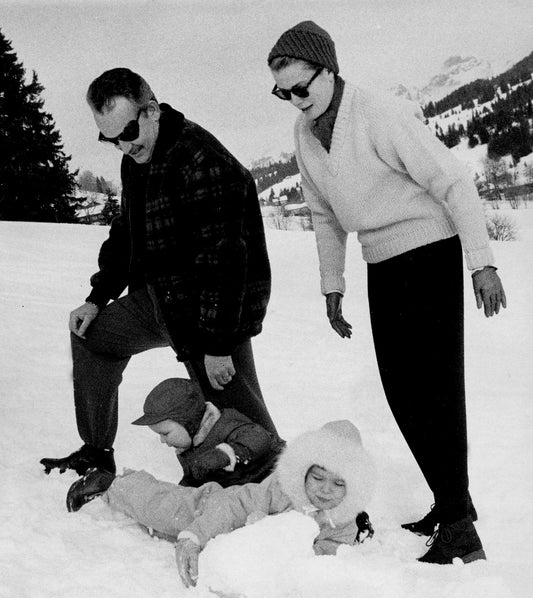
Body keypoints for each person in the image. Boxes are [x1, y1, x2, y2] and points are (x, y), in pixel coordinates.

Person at [267, 21, 507, 564]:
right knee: (403, 392)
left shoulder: (378, 113)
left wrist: (482, 264)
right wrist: (333, 285)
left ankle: (461, 532)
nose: (294, 101)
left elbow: (454, 182)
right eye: (283, 93)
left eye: (301, 88)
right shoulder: (306, 134)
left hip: (428, 252)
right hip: (383, 263)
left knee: (436, 392)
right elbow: (325, 216)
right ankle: (452, 505)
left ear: (329, 72)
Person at [40, 67, 277, 478]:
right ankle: (96, 451)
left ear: (151, 111)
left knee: (251, 431)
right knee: (89, 337)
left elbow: (225, 261)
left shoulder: (203, 161)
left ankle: (301, 499)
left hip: (214, 312)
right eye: (109, 138)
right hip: (159, 301)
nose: (122, 146)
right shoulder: (137, 157)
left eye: (127, 132)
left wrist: (217, 342)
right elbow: (127, 232)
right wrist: (98, 299)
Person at [65, 420, 376, 588]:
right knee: (162, 511)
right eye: (318, 478)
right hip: (214, 508)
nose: (324, 491)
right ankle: (113, 484)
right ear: (304, 471)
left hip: (239, 546)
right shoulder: (283, 489)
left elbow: (322, 558)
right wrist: (193, 535)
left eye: (338, 484)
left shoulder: (343, 522)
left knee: (164, 530)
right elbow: (235, 505)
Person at [131, 377, 285, 487]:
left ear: (188, 421)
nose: (162, 440)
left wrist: (225, 454)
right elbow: (193, 479)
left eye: (165, 433)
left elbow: (258, 437)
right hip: (244, 490)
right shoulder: (187, 450)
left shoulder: (225, 423)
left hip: (274, 474)